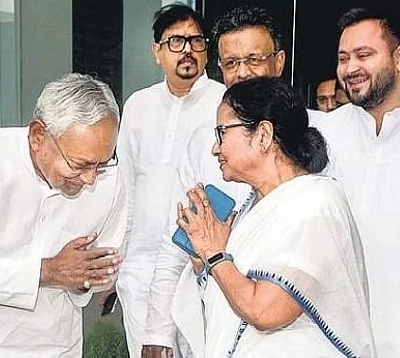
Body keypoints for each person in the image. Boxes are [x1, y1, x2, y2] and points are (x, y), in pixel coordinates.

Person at [173, 76, 376, 357]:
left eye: (222, 133)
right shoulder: (255, 206)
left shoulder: (314, 205)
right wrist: (203, 262)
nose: (215, 148)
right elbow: (232, 301)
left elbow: (266, 310)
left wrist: (215, 254)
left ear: (263, 135)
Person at [142, 6, 293, 357]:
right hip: (216, 321)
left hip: (288, 326)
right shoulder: (202, 144)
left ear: (279, 62)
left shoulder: (311, 137)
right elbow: (175, 239)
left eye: (254, 59)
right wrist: (157, 332)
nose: (243, 73)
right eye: (231, 63)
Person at [0, 73, 127, 356]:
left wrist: (84, 277)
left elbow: (105, 269)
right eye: (79, 164)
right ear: (38, 136)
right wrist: (46, 271)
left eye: (102, 164)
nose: (91, 179)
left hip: (58, 347)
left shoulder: (111, 179)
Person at [316, 7, 400, 357]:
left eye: (364, 55)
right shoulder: (324, 134)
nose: (350, 69)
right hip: (335, 342)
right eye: (343, 58)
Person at [115, 4, 225, 357]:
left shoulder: (223, 104)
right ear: (156, 52)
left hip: (197, 267)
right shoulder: (138, 105)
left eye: (195, 40)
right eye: (176, 41)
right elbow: (125, 187)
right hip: (140, 269)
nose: (187, 50)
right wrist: (120, 260)